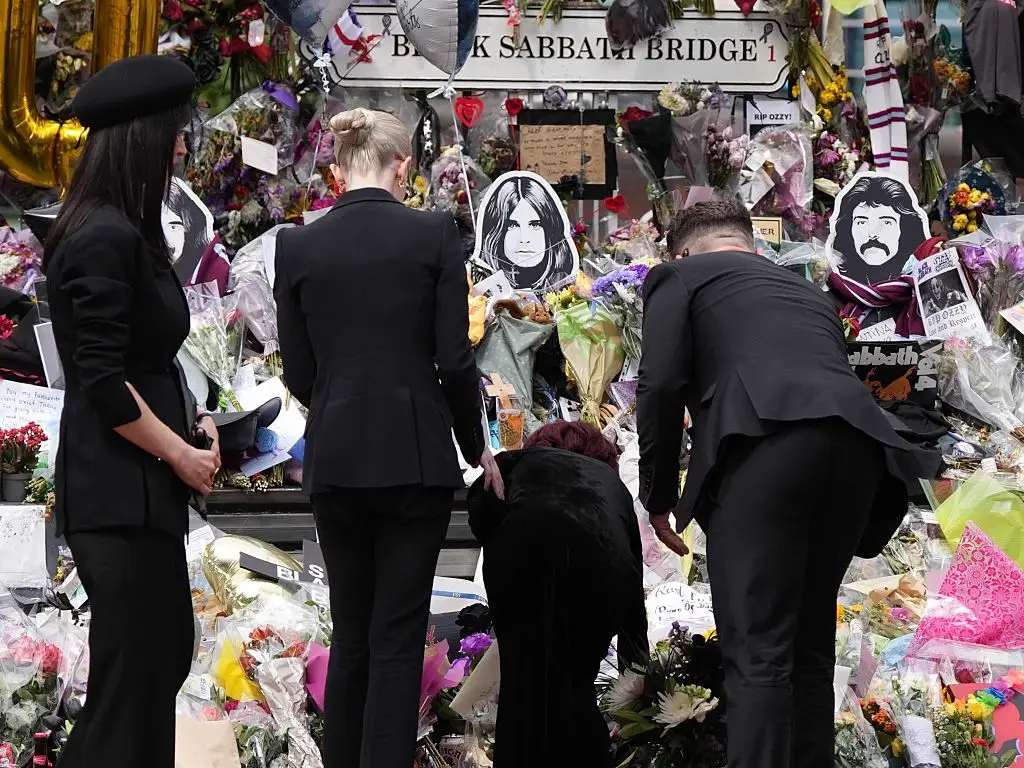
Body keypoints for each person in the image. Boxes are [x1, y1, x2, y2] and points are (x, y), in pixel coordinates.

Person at [636, 198, 939, 768]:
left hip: (766, 449)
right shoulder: (806, 292)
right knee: (807, 653)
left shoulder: (676, 276)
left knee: (758, 657)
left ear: (681, 249)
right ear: (750, 243)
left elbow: (658, 384)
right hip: (858, 454)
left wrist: (658, 495)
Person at [274, 107, 504, 768]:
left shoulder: (297, 245)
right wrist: (473, 446)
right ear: (403, 165)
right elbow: (455, 362)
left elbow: (299, 371)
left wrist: (343, 408)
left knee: (351, 631)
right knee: (399, 633)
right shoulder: (432, 235)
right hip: (415, 458)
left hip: (338, 457)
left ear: (337, 166)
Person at [43, 55, 221, 768]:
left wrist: (196, 426)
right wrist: (179, 452)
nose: (183, 144)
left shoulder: (122, 230)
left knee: (156, 660)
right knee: (133, 676)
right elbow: (101, 379)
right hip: (116, 495)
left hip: (139, 494)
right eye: (175, 132)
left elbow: (141, 363)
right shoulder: (101, 237)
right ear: (141, 139)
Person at [467, 420, 648, 768]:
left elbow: (481, 508)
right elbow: (633, 608)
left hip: (518, 551)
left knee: (522, 684)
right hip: (598, 562)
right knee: (576, 682)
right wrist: (636, 701)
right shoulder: (609, 486)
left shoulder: (522, 464)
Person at [478, 174, 576, 292]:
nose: (524, 239)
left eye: (535, 225)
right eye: (512, 225)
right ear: (497, 232)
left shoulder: (571, 287)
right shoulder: (478, 286)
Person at [829, 174, 929, 285]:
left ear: (904, 229)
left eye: (886, 222)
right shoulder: (835, 282)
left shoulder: (920, 283)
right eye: (862, 222)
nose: (872, 234)